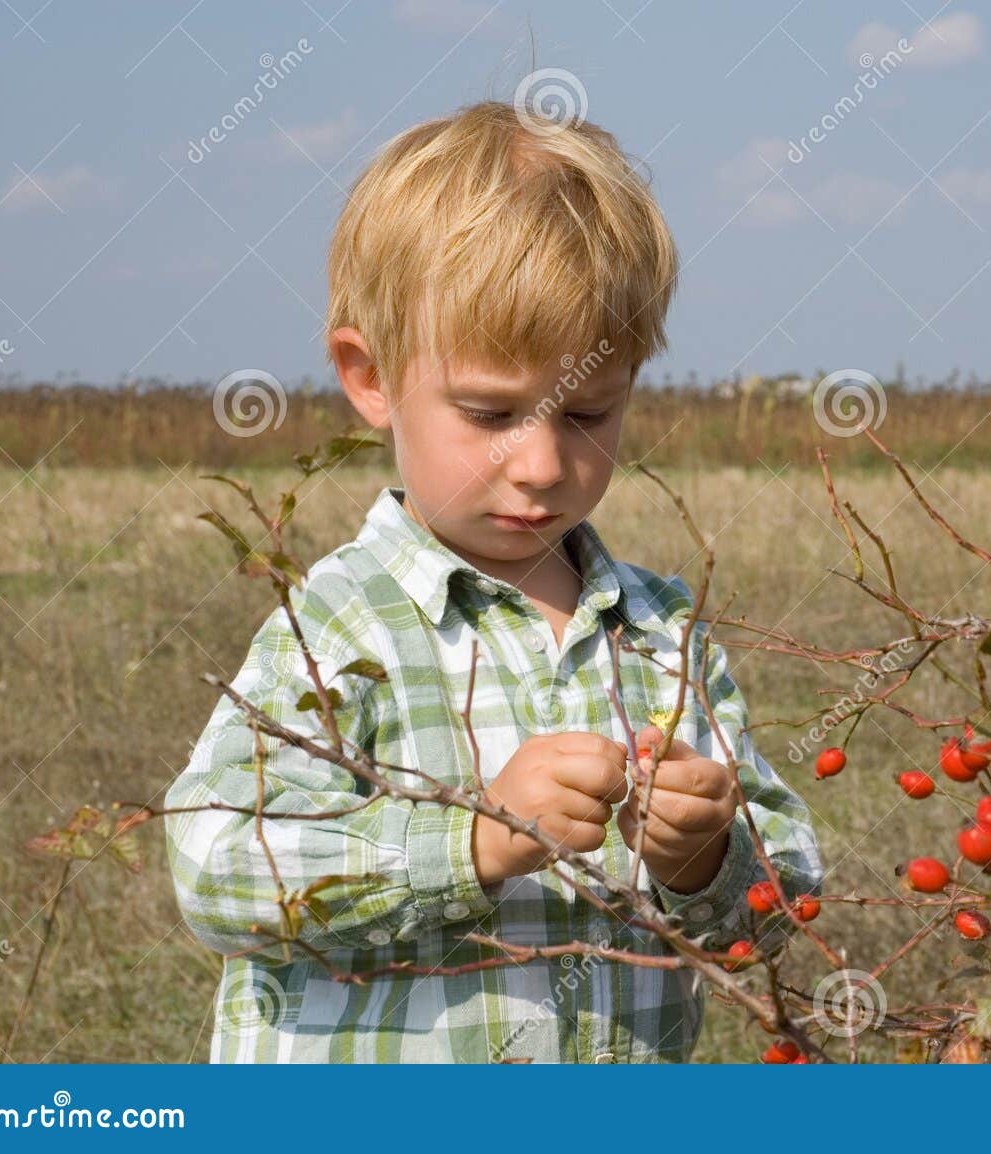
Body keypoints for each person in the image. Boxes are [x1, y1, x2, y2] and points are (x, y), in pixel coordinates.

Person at [163, 99, 824, 1062]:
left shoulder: (660, 631)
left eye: (588, 414)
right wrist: (471, 842)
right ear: (369, 376)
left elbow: (782, 896)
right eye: (489, 413)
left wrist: (706, 858)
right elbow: (219, 869)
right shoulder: (345, 624)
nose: (543, 465)